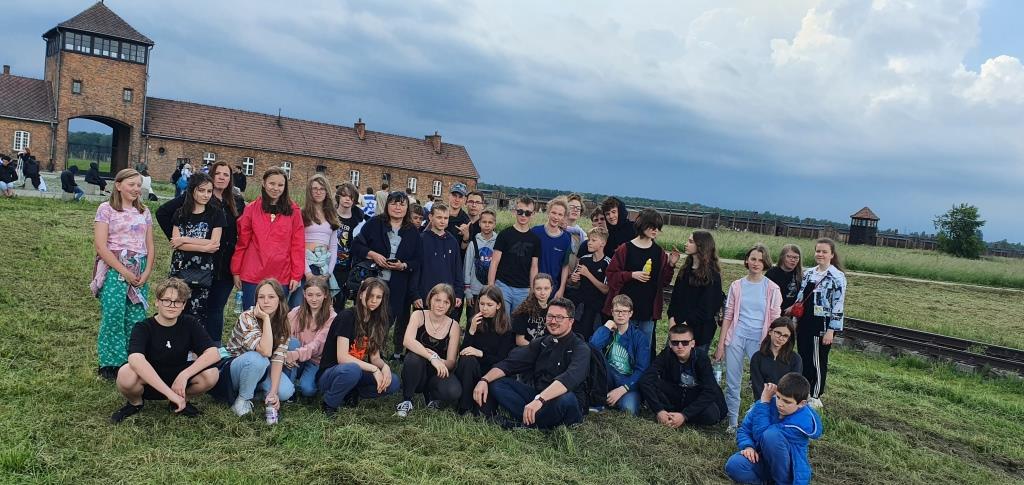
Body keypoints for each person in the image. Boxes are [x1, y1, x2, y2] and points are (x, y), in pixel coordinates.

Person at [158, 161, 245, 346]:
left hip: (224, 264)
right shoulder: (195, 198)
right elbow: (163, 213)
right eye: (218, 173)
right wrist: (180, 242)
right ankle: (181, 345)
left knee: (215, 308)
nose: (222, 177)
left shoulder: (236, 201)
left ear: (231, 179)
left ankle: (212, 348)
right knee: (187, 305)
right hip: (193, 263)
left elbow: (240, 232)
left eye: (226, 174)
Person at [110, 278, 221, 423]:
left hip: (178, 379)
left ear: (183, 305)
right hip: (149, 381)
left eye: (177, 301)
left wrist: (184, 375)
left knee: (212, 374)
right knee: (126, 373)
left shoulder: (190, 323)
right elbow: (135, 359)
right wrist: (169, 393)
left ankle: (181, 401)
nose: (172, 306)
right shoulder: (143, 327)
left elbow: (213, 353)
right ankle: (135, 403)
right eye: (167, 300)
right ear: (157, 302)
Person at [473, 298, 590, 430]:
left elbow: (569, 379)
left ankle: (525, 424)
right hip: (538, 396)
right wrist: (484, 380)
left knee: (566, 399)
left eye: (559, 317)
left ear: (571, 321)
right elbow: (511, 364)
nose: (553, 321)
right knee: (497, 383)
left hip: (563, 400)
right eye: (550, 316)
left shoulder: (581, 348)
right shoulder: (543, 342)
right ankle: (532, 420)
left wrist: (540, 400)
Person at [92, 169, 155, 380]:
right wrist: (123, 271)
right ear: (118, 186)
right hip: (114, 268)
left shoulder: (144, 212)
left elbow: (150, 245)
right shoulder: (106, 209)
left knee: (136, 316)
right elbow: (101, 246)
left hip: (138, 267)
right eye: (131, 184)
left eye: (139, 185)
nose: (136, 189)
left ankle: (132, 360)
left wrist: (147, 271)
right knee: (114, 314)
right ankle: (111, 362)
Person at [715, 244, 783, 431]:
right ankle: (732, 423)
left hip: (760, 341)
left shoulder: (772, 288)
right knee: (732, 381)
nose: (756, 263)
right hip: (736, 337)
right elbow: (728, 315)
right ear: (747, 260)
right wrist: (721, 344)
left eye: (760, 260)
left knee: (761, 383)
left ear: (765, 263)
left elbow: (775, 320)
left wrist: (773, 345)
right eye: (753, 259)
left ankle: (759, 421)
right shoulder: (737, 286)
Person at [603, 208, 680, 361]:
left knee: (643, 351)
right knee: (621, 351)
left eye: (658, 228)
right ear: (642, 225)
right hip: (625, 311)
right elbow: (611, 276)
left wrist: (671, 265)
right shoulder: (625, 249)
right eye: (652, 226)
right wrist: (631, 275)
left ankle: (640, 375)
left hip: (647, 312)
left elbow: (663, 282)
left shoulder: (659, 252)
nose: (655, 230)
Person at [351, 191, 421, 357]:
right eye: (393, 203)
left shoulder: (412, 231)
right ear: (387, 205)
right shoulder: (375, 223)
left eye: (402, 204)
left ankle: (376, 349)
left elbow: (417, 260)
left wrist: (403, 265)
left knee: (388, 316)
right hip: (374, 278)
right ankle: (359, 348)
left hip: (398, 282)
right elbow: (356, 245)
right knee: (367, 314)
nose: (397, 207)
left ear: (407, 208)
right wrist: (373, 255)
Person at [316, 277, 399, 416]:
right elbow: (342, 358)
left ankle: (351, 392)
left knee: (393, 382)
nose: (374, 300)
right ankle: (329, 403)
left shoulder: (377, 321)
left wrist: (385, 367)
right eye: (370, 295)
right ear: (360, 295)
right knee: (352, 369)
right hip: (332, 373)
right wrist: (374, 369)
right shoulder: (347, 316)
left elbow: (375, 358)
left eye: (378, 297)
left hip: (355, 373)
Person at [724, 373, 823, 485]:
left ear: (801, 403)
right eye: (778, 397)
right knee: (734, 465)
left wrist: (764, 403)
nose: (780, 404)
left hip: (788, 471)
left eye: (787, 401)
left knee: (771, 436)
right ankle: (766, 482)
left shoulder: (803, 420)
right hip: (762, 459)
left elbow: (762, 436)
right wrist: (748, 446)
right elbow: (745, 429)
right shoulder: (768, 403)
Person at [231, 167, 305, 310]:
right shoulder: (251, 209)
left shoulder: (294, 211)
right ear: (264, 183)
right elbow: (242, 243)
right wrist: (236, 271)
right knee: (252, 316)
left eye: (280, 185)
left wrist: (296, 275)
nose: (276, 188)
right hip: (252, 274)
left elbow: (297, 245)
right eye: (272, 183)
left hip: (281, 275)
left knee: (275, 318)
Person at [222, 279, 295, 417]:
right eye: (261, 297)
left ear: (280, 299)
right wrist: (266, 319)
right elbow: (265, 351)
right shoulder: (247, 317)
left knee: (286, 392)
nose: (266, 301)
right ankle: (242, 400)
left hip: (260, 368)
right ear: (256, 300)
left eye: (271, 297)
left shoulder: (283, 321)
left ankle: (256, 392)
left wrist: (273, 392)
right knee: (258, 358)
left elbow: (278, 358)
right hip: (234, 369)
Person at [639, 324, 726, 428]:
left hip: (696, 395)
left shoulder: (701, 358)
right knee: (650, 382)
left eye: (685, 342)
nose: (680, 346)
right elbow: (646, 379)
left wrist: (684, 415)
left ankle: (678, 416)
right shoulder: (666, 354)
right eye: (675, 343)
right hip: (677, 392)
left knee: (711, 415)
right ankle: (668, 414)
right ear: (670, 344)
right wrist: (658, 410)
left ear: (692, 343)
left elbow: (710, 390)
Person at [794, 238, 846, 409]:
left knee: (818, 359)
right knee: (804, 356)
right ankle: (804, 391)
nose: (820, 254)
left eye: (824, 252)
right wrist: (795, 317)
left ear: (832, 254)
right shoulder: (809, 273)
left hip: (822, 324)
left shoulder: (837, 276)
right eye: (818, 251)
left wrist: (832, 330)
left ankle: (816, 394)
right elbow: (801, 297)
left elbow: (838, 304)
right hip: (805, 321)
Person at [168, 173, 225, 330]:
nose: (206, 195)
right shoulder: (180, 213)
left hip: (202, 271)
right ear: (192, 190)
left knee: (198, 311)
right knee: (175, 305)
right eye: (201, 190)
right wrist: (203, 247)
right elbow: (176, 243)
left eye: (209, 191)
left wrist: (185, 239)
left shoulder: (216, 214)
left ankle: (194, 344)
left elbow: (215, 243)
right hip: (180, 267)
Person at [397, 283, 463, 417]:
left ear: (450, 305)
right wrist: (431, 357)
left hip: (437, 372)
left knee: (453, 391)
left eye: (446, 302)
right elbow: (407, 341)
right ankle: (407, 399)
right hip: (415, 369)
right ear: (430, 299)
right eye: (437, 300)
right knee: (414, 357)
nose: (441, 305)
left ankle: (431, 396)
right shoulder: (418, 315)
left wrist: (438, 360)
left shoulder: (454, 325)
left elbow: (451, 362)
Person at [455, 285, 515, 415]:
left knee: (484, 412)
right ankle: (464, 405)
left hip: (492, 374)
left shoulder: (506, 327)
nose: (484, 308)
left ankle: (479, 401)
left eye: (489, 304)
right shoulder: (474, 321)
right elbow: (463, 352)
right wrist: (471, 331)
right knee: (467, 359)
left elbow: (502, 360)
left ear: (498, 305)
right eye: (482, 304)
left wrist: (480, 353)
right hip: (471, 371)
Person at [589, 295, 649, 416]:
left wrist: (623, 389)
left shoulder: (640, 337)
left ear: (631, 313)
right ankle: (602, 399)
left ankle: (611, 398)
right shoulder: (607, 331)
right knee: (595, 357)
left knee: (629, 410)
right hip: (607, 377)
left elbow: (642, 369)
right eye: (617, 311)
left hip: (627, 381)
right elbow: (593, 347)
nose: (620, 315)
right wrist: (607, 326)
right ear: (612, 312)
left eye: (624, 311)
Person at [667, 230, 724, 351]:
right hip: (677, 329)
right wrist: (671, 319)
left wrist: (686, 324)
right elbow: (675, 298)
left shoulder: (712, 275)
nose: (686, 244)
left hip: (699, 334)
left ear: (701, 245)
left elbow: (708, 308)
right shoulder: (685, 270)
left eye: (691, 241)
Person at [293, 174, 340, 307]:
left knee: (320, 307)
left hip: (323, 267)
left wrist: (328, 273)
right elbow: (298, 244)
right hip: (305, 265)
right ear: (309, 191)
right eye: (315, 188)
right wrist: (307, 273)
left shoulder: (331, 215)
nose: (318, 192)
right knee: (299, 305)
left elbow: (333, 247)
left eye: (322, 188)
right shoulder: (302, 214)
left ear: (327, 191)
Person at [284, 276, 336, 399]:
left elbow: (317, 345)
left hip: (315, 360)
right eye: (310, 295)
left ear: (325, 295)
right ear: (304, 294)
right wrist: (288, 355)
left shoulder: (332, 317)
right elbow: (285, 335)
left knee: (308, 390)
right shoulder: (296, 312)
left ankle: (299, 383)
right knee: (292, 342)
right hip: (295, 357)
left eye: (318, 295)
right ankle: (289, 387)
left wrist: (295, 355)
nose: (314, 299)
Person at [487, 196, 540, 313]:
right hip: (503, 286)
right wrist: (491, 286)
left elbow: (534, 266)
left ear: (533, 214)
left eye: (527, 213)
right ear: (515, 212)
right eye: (520, 211)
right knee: (502, 320)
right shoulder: (504, 234)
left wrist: (533, 289)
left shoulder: (535, 239)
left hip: (524, 289)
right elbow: (494, 262)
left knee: (518, 322)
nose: (523, 215)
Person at [412, 203, 464, 320]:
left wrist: (459, 293)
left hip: (446, 299)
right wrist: (415, 294)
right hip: (425, 296)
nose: (442, 221)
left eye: (446, 218)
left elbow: (457, 270)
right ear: (431, 217)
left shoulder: (452, 241)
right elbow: (415, 270)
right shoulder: (422, 239)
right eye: (439, 217)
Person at [569, 226, 610, 341]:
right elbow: (573, 282)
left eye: (593, 240)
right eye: (588, 239)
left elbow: (606, 289)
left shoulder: (608, 263)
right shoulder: (584, 259)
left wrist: (588, 274)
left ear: (602, 243)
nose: (589, 243)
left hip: (596, 309)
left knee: (590, 338)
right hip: (580, 306)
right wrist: (574, 279)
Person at [332, 183, 365, 310]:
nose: (347, 199)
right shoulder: (330, 215)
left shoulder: (359, 221)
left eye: (351, 197)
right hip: (327, 265)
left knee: (339, 301)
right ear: (338, 197)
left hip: (346, 267)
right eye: (344, 195)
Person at [750, 317, 802, 399]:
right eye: (778, 333)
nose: (780, 338)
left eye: (785, 336)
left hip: (786, 401)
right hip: (763, 400)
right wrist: (764, 402)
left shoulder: (795, 359)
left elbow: (794, 386)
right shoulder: (757, 358)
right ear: (770, 331)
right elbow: (757, 386)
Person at [531, 198, 572, 299]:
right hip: (534, 286)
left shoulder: (566, 238)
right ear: (548, 212)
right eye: (553, 212)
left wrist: (561, 289)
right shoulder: (535, 232)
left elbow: (565, 266)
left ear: (564, 217)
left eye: (560, 214)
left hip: (552, 290)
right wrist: (531, 287)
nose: (556, 217)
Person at [463, 209, 497, 319]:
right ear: (479, 223)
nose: (487, 225)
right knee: (472, 319)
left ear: (495, 224)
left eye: (490, 222)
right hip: (474, 290)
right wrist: (467, 290)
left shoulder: (498, 242)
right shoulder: (473, 243)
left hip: (492, 290)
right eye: (484, 222)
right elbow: (467, 267)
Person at [512, 273, 554, 346]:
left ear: (551, 289)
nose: (542, 293)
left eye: (546, 288)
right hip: (527, 349)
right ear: (533, 289)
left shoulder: (554, 309)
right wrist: (538, 349)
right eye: (538, 289)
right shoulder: (524, 310)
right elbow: (519, 340)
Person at [767, 244, 803, 313]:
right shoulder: (771, 273)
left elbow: (803, 296)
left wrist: (794, 307)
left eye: (796, 257)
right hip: (774, 313)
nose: (793, 260)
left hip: (793, 314)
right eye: (789, 256)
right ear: (782, 257)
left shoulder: (800, 275)